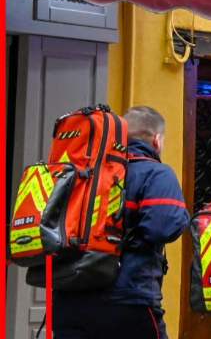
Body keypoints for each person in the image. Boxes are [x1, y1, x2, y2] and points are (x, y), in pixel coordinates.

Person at [52, 106, 189, 339]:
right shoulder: (156, 173)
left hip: (68, 299)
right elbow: (163, 227)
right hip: (128, 300)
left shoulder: (79, 174)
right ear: (157, 140)